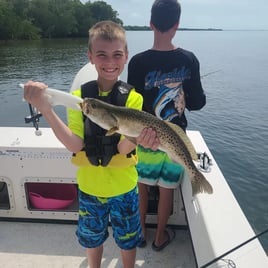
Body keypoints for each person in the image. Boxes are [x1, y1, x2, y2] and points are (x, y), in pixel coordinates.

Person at [23, 20, 158, 268]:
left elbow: (121, 148)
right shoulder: (78, 99)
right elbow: (75, 145)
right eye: (101, 55)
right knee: (91, 240)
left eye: (117, 54)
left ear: (126, 56)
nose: (109, 62)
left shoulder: (134, 98)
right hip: (89, 188)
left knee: (127, 241)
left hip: (124, 188)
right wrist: (46, 109)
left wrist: (138, 139)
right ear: (90, 57)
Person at [127, 0, 206, 251]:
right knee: (166, 191)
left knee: (141, 187)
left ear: (150, 24)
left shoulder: (137, 63)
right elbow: (197, 103)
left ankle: (139, 235)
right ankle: (160, 237)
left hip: (146, 137)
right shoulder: (189, 59)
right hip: (176, 139)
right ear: (177, 25)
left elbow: (133, 105)